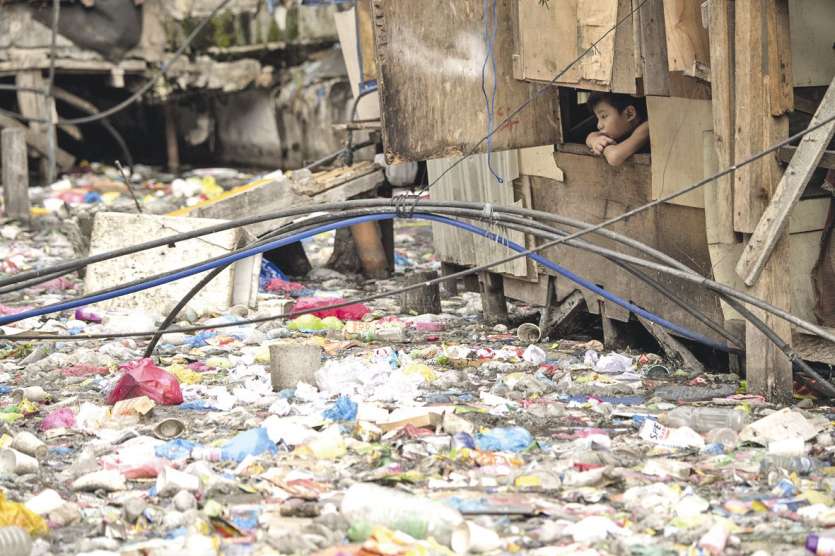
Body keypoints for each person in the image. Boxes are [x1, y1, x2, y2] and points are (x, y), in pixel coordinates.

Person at [585, 93, 649, 167]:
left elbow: (614, 157)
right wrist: (594, 140)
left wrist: (605, 148)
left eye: (603, 116)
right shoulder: (619, 130)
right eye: (597, 118)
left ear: (629, 113)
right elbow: (591, 136)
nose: (599, 126)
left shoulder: (647, 127)